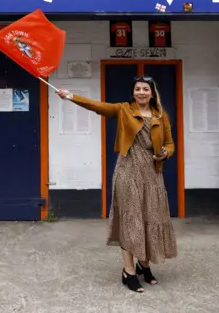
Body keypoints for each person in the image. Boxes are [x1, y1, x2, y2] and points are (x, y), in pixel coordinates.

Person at [56, 76, 177, 293]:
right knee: (131, 220)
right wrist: (71, 97)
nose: (141, 92)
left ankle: (144, 264)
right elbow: (98, 107)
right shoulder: (123, 110)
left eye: (145, 89)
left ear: (152, 93)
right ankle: (129, 271)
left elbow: (169, 142)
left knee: (150, 217)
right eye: (138, 89)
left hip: (152, 172)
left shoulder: (161, 115)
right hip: (128, 169)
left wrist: (166, 153)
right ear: (133, 93)